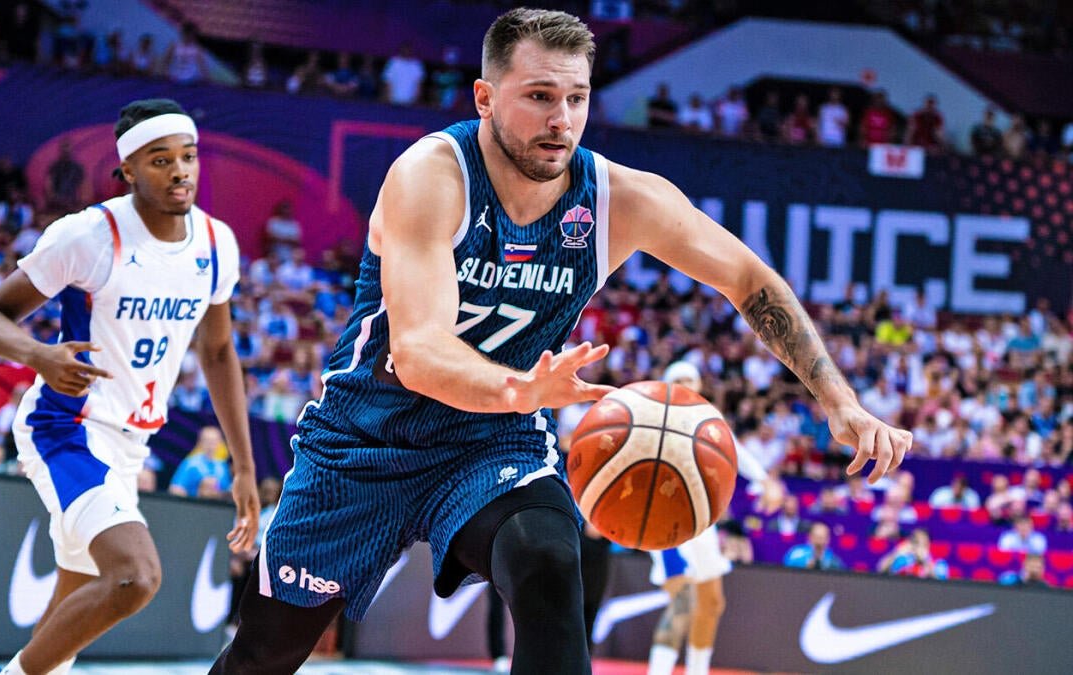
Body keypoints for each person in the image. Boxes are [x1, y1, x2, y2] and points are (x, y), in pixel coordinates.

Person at [213, 10, 910, 675]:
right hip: (365, 439)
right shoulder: (432, 175)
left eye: (577, 98)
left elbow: (749, 278)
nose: (562, 119)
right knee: (264, 655)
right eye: (540, 96)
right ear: (485, 97)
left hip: (493, 442)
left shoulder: (617, 198)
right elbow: (418, 353)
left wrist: (839, 399)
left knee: (549, 559)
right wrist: (520, 388)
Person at [0, 99, 260, 675]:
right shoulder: (89, 235)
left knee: (66, 621)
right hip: (67, 428)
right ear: (127, 170)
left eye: (188, 156)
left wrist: (245, 467)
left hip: (132, 443)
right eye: (160, 160)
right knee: (135, 577)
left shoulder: (215, 243)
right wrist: (38, 355)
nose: (179, 171)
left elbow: (218, 351)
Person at [647, 361, 770, 675]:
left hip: (701, 519)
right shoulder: (652, 416)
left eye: (690, 379)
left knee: (712, 603)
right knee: (682, 601)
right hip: (663, 519)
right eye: (679, 379)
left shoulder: (708, 418)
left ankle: (697, 670)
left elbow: (735, 451)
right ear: (667, 385)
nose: (686, 383)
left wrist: (765, 480)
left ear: (700, 385)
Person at [168, 426, 233, 499]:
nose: (211, 445)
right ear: (200, 442)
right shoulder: (191, 463)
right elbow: (175, 488)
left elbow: (226, 489)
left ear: (220, 442)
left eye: (214, 441)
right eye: (207, 441)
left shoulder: (222, 466)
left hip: (216, 504)